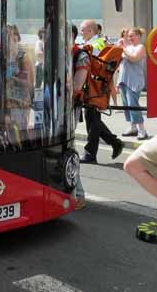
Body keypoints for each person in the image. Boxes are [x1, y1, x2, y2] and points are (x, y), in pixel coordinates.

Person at [78, 19, 124, 163]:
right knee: (93, 118)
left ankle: (90, 154)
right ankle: (115, 143)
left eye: (83, 30)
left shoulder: (95, 44)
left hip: (94, 87)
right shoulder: (98, 42)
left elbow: (93, 63)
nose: (81, 32)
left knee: (92, 120)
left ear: (91, 31)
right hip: (97, 87)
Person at [117, 27, 148, 140]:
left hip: (134, 80)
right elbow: (121, 65)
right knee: (126, 106)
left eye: (132, 36)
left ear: (139, 36)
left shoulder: (141, 47)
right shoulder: (127, 47)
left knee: (133, 105)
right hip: (123, 80)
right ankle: (132, 127)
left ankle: (142, 130)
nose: (130, 38)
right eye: (128, 36)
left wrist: (123, 48)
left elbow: (134, 58)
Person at [70, 24, 87, 209]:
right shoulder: (54, 51)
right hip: (53, 109)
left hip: (69, 109)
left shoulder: (80, 55)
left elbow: (77, 87)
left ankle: (79, 193)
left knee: (69, 148)